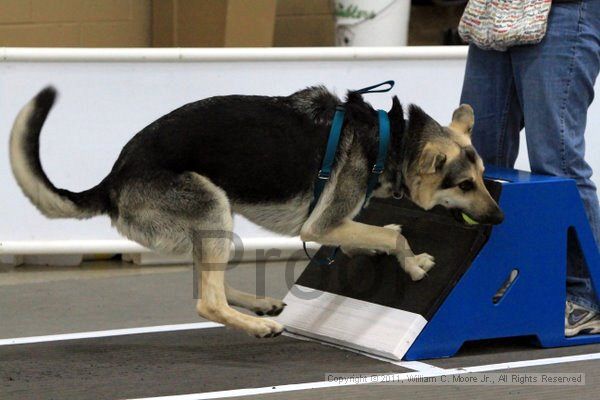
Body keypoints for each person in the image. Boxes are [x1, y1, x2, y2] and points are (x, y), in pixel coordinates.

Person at [460, 0, 600, 336]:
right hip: (497, 9)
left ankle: (583, 297)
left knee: (557, 162)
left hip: (565, 9)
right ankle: (494, 280)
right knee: (478, 163)